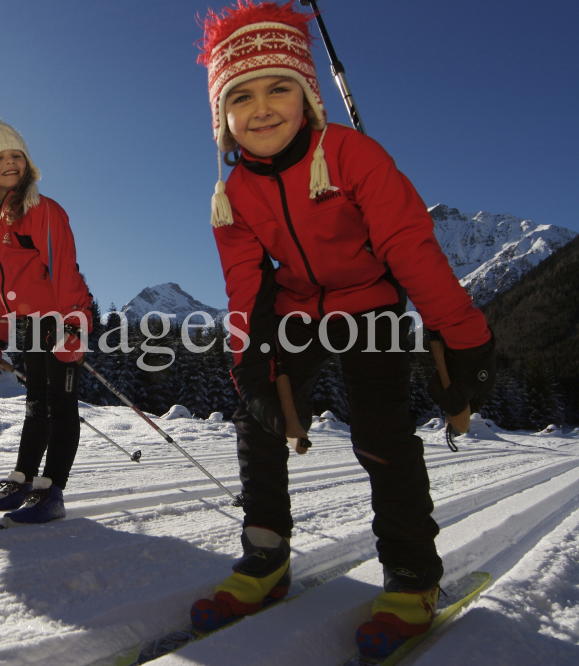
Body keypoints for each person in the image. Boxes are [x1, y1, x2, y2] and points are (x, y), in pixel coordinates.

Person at [190, 1, 496, 656]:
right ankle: (265, 556)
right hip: (298, 307)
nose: (263, 107)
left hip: (369, 306)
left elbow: (413, 250)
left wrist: (461, 334)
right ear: (223, 118)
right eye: (241, 95)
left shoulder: (353, 156)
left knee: (381, 433)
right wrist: (252, 362)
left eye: (280, 87)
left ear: (308, 96)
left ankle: (412, 573)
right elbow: (245, 286)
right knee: (258, 417)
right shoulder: (231, 195)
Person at [0, 112, 93, 526]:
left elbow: (65, 271)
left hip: (64, 316)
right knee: (36, 403)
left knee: (60, 403)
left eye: (17, 155)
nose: (10, 163)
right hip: (30, 324)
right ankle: (22, 480)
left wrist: (72, 327)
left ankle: (51, 490)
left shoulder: (42, 210)